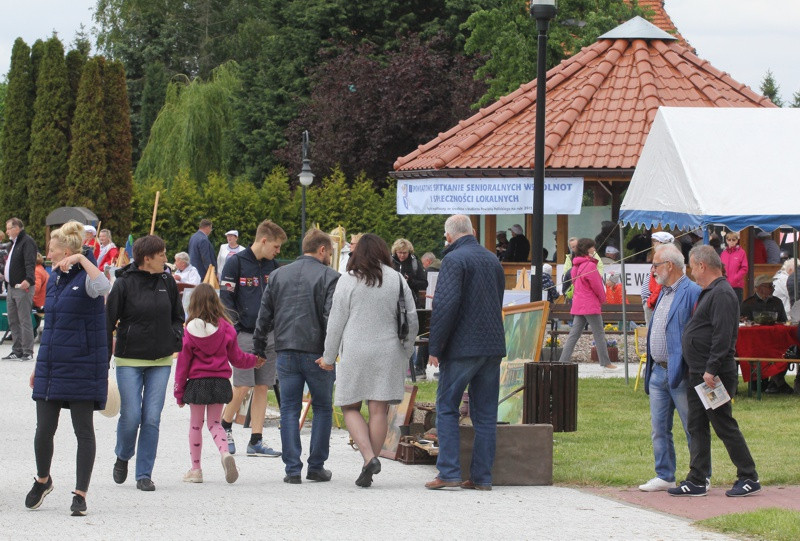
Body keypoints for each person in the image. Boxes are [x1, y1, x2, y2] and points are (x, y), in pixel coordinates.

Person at [25, 221, 111, 516]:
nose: (47, 254)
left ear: (66, 251)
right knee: (43, 430)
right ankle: (43, 480)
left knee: (83, 430)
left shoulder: (87, 277)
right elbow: (51, 327)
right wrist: (39, 365)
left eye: (52, 249)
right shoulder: (53, 278)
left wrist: (82, 258)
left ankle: (80, 494)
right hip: (51, 365)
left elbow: (104, 287)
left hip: (82, 365)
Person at [319, 234, 419, 488]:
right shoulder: (396, 279)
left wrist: (329, 356)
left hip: (355, 351)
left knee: (349, 406)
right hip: (388, 351)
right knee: (378, 410)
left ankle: (368, 458)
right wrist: (407, 351)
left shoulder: (348, 280)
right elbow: (412, 318)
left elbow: (336, 322)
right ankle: (369, 466)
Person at [668, 245, 760, 498]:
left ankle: (749, 476)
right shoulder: (710, 292)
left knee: (723, 424)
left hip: (712, 375)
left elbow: (723, 336)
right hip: (698, 372)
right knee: (696, 425)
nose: (690, 271)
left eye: (691, 266)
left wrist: (711, 369)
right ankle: (697, 479)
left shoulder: (722, 293)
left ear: (702, 266)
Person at [424, 215, 505, 491]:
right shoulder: (492, 259)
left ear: (448, 237)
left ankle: (448, 471)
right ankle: (482, 477)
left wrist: (435, 347)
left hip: (462, 346)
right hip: (492, 345)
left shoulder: (453, 260)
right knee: (486, 413)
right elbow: (497, 300)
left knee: (447, 407)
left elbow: (445, 306)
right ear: (473, 231)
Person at [253, 228, 340, 484]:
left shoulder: (278, 275)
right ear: (322, 250)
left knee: (289, 408)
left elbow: (264, 315)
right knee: (322, 407)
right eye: (329, 252)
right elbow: (330, 318)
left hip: (286, 350)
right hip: (317, 351)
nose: (330, 257)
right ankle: (316, 466)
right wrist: (331, 352)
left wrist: (259, 347)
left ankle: (292, 469)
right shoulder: (330, 276)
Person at [107, 235, 184, 492]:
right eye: (162, 255)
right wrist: (103, 360)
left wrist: (175, 337)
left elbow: (178, 316)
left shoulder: (167, 281)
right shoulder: (123, 284)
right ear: (147, 258)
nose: (166, 258)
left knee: (151, 418)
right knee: (131, 416)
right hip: (129, 358)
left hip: (161, 360)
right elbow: (108, 321)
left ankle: (144, 474)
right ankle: (122, 455)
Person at [174, 283, 266, 485]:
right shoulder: (226, 328)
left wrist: (179, 393)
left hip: (197, 383)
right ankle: (225, 453)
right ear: (217, 303)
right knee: (215, 424)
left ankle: (196, 470)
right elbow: (237, 358)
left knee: (196, 425)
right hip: (220, 382)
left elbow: (182, 365)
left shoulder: (189, 330)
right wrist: (254, 361)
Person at [219, 220, 287, 458]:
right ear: (264, 241)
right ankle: (225, 426)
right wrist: (235, 329)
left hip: (269, 335)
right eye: (276, 246)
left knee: (262, 386)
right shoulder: (235, 262)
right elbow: (225, 299)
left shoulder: (273, 266)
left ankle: (256, 440)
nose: (278, 251)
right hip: (245, 333)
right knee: (243, 385)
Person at [638, 244, 701, 492]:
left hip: (681, 372)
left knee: (692, 427)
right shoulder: (663, 292)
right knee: (659, 428)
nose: (653, 270)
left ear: (670, 265)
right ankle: (664, 475)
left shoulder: (692, 292)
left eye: (656, 265)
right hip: (658, 371)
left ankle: (700, 475)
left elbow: (700, 331)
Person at [558, 238, 617, 369]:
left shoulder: (575, 266)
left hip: (578, 304)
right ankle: (606, 362)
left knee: (573, 335)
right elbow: (597, 285)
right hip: (590, 305)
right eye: (592, 247)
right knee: (599, 333)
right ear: (587, 249)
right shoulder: (590, 266)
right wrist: (602, 298)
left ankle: (562, 361)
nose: (594, 249)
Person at [741, 274, 791, 394]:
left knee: (787, 351)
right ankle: (762, 380)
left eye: (772, 286)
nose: (773, 288)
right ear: (759, 288)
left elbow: (783, 321)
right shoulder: (748, 304)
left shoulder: (777, 302)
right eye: (770, 286)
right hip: (755, 344)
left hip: (774, 342)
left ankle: (777, 381)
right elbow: (742, 322)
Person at [3, 218, 37, 361]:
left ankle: (27, 351)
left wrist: (28, 280)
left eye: (9, 228)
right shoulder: (13, 244)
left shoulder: (27, 242)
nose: (6, 231)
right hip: (11, 287)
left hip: (22, 286)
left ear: (17, 228)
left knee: (24, 319)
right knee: (13, 319)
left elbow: (30, 262)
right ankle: (17, 350)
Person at [640, 231, 675, 326]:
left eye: (655, 241)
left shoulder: (664, 258)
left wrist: (650, 302)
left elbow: (661, 283)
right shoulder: (661, 257)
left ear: (661, 243)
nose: (653, 244)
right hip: (651, 301)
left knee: (653, 330)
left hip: (653, 303)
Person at [391, 238, 427, 307]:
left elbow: (424, 284)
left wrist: (411, 281)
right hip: (393, 301)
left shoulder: (415, 263)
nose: (402, 255)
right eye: (400, 252)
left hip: (411, 302)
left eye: (405, 253)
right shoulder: (389, 262)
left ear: (409, 252)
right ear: (395, 252)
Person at [720, 231, 748, 303]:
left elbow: (744, 268)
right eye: (729, 240)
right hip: (725, 285)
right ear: (726, 241)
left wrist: (736, 278)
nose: (731, 241)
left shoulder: (741, 252)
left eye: (733, 240)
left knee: (737, 306)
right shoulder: (723, 253)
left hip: (736, 286)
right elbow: (720, 267)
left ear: (737, 241)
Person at [32, 253, 49, 337]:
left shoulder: (36, 271)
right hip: (43, 302)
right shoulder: (42, 270)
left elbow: (35, 289)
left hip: (37, 303)